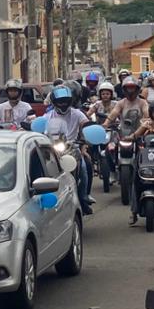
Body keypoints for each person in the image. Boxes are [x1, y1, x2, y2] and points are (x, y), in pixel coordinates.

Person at [40, 86, 93, 215]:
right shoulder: (48, 116)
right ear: (54, 101)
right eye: (60, 101)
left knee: (86, 166)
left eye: (66, 101)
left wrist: (87, 129)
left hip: (73, 147)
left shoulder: (77, 113)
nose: (63, 104)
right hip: (53, 149)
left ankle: (85, 195)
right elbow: (40, 128)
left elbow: (85, 123)